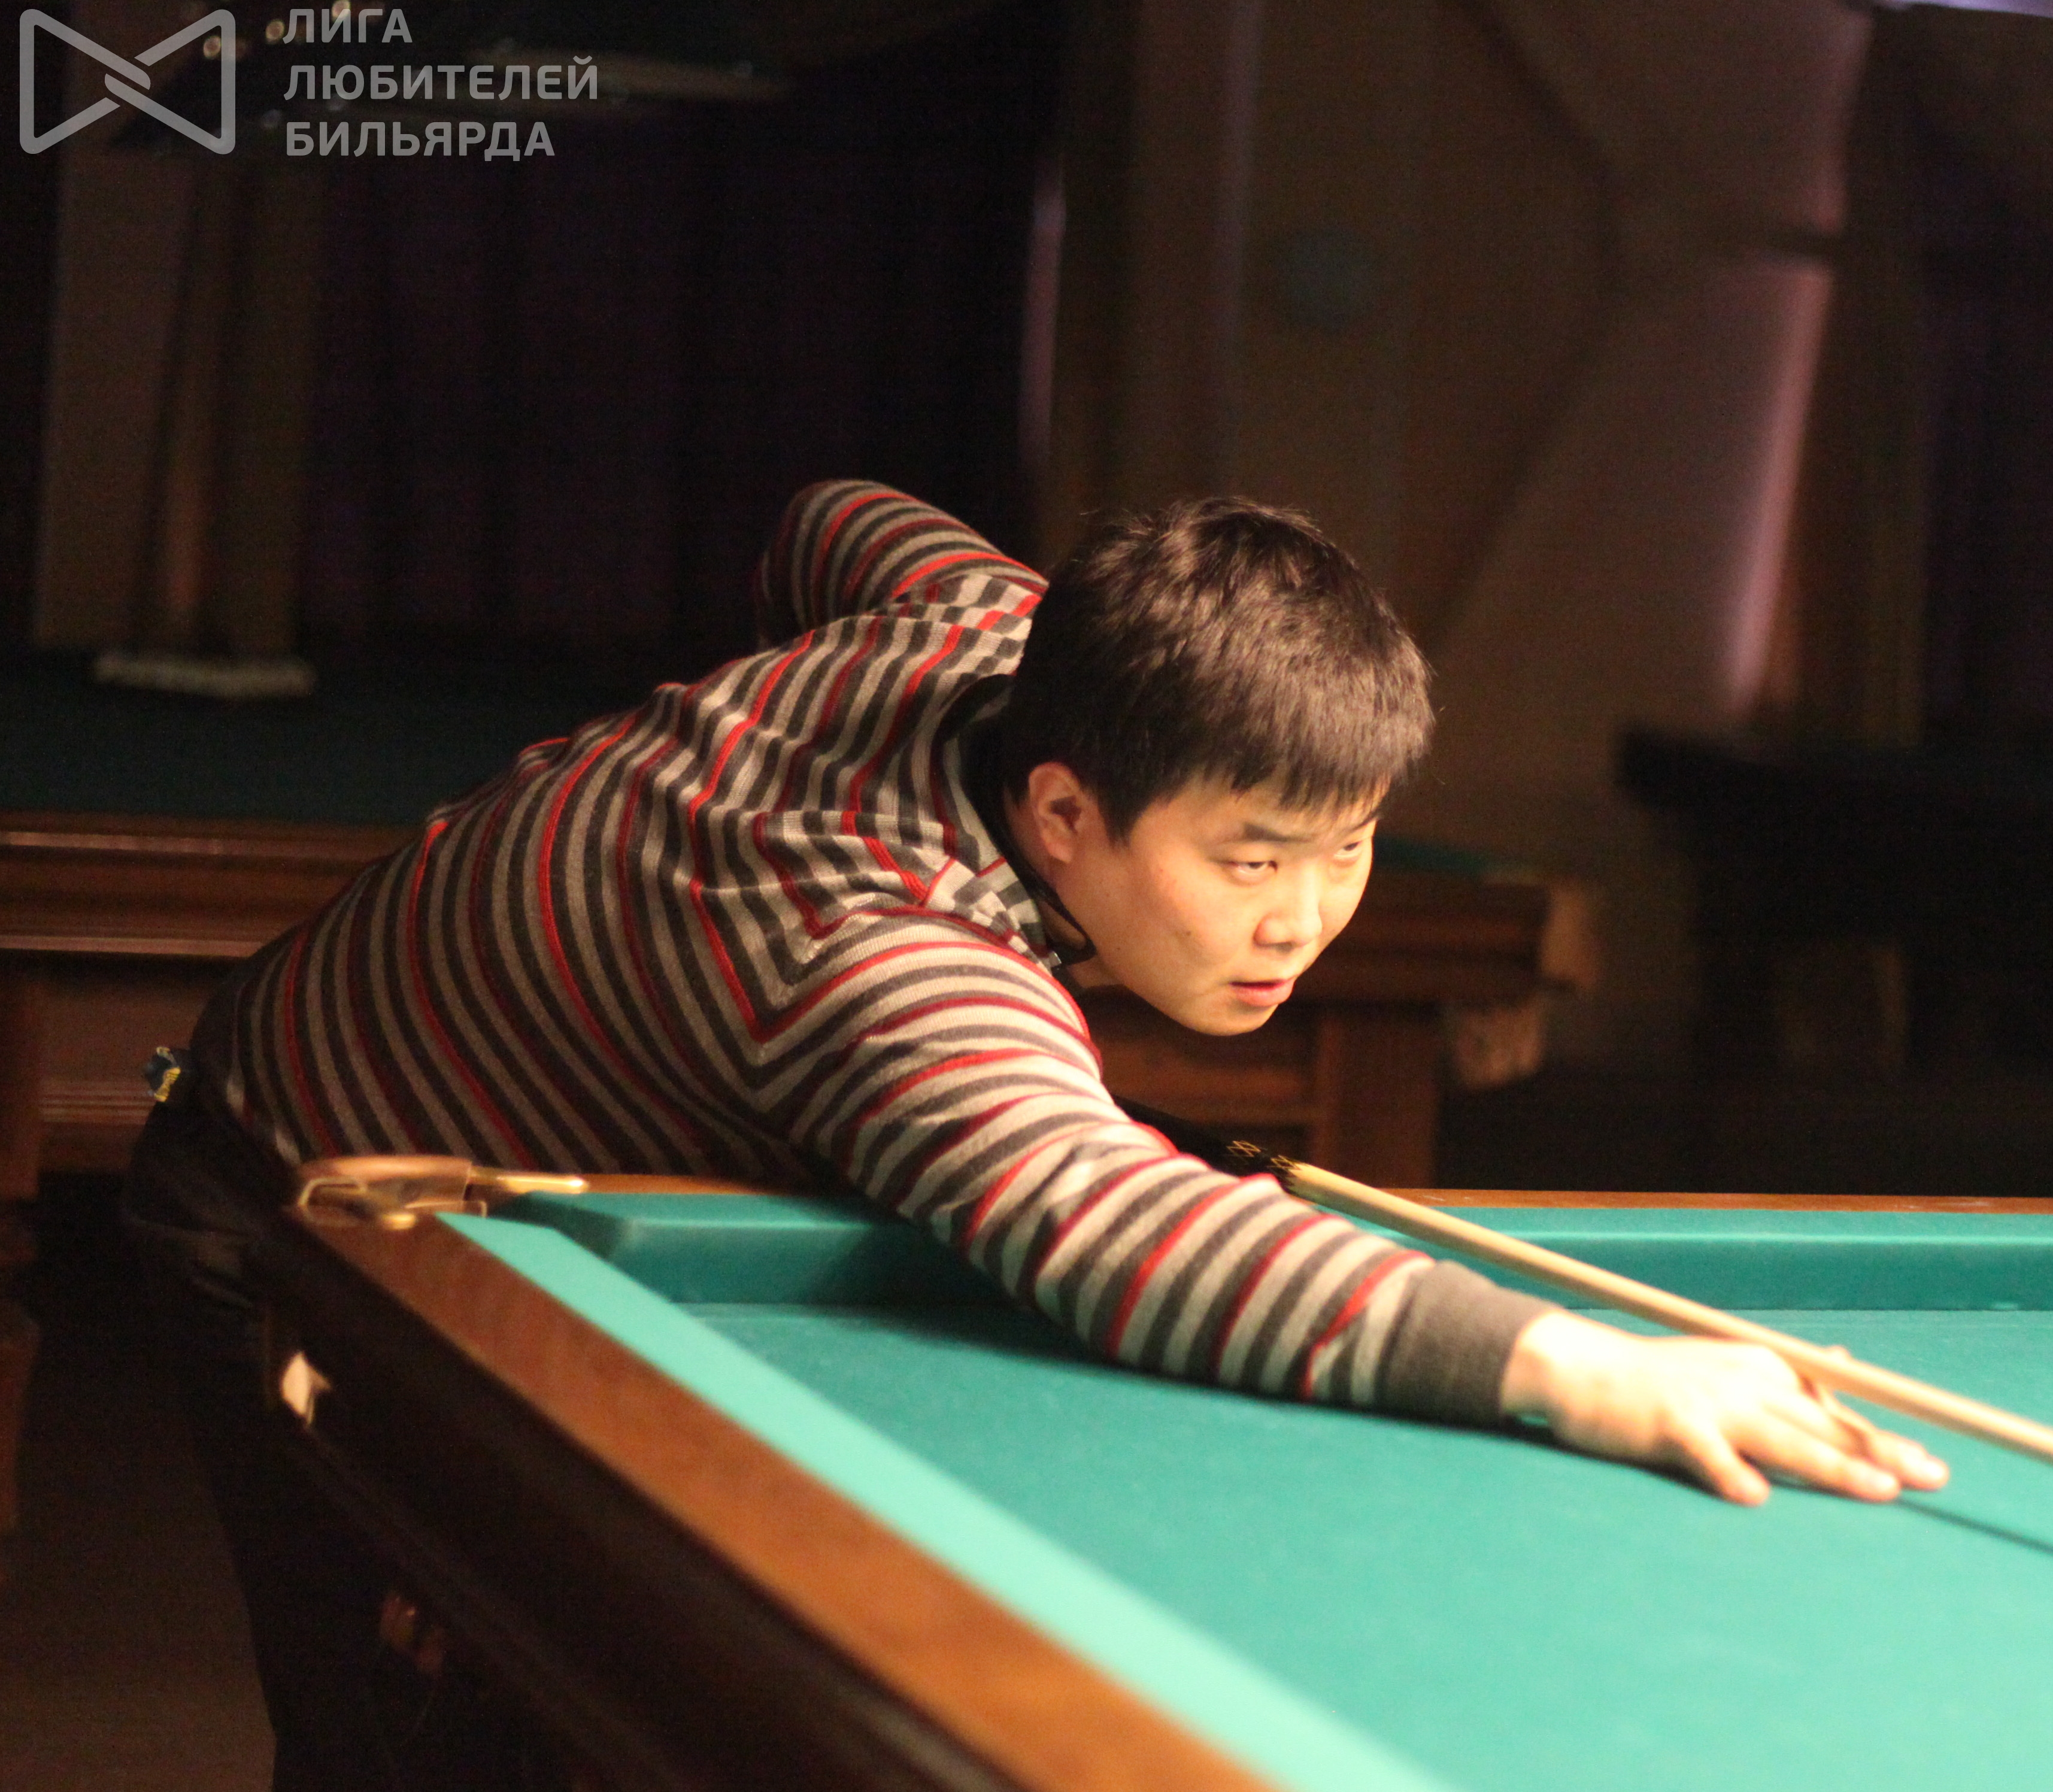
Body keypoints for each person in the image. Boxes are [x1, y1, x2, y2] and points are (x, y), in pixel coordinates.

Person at [123, 481, 1945, 1789]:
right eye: (1250, 855)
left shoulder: (1005, 628)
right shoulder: (885, 961)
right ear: (1062, 810)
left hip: (484, 1159)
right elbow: (1120, 1228)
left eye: (1348, 843)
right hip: (305, 1199)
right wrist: (1585, 1367)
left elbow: (832, 517)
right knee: (422, 1747)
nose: (1308, 917)